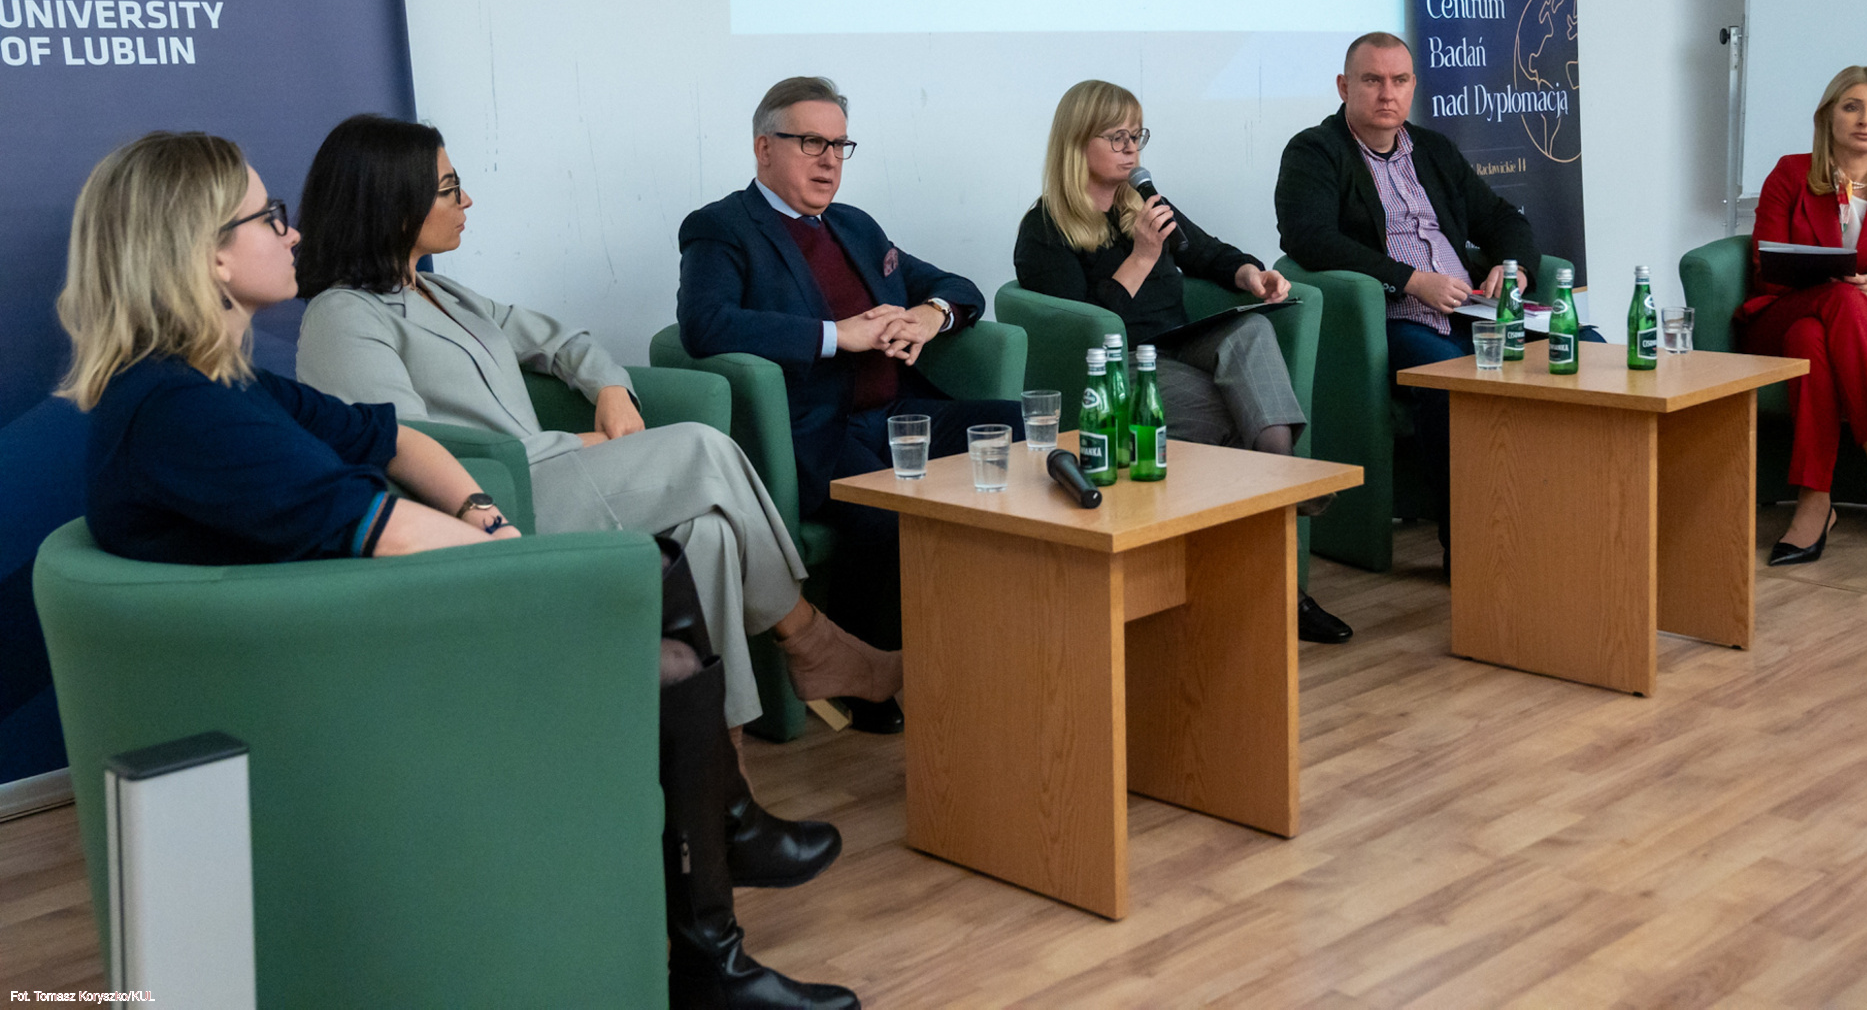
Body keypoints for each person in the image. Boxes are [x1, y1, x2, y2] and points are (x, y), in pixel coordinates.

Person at [59, 131, 858, 1010]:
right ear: (207, 253)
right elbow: (390, 532)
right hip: (338, 674)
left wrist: (485, 514)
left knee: (673, 565)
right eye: (269, 217)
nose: (292, 233)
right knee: (665, 614)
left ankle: (719, 913)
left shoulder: (210, 388)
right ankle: (717, 940)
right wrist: (535, 571)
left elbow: (394, 438)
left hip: (354, 625)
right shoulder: (192, 412)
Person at [292, 114, 901, 736]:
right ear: (393, 205)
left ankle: (717, 762)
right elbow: (408, 446)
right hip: (492, 506)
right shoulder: (342, 317)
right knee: (702, 446)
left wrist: (610, 390)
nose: (466, 199)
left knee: (709, 534)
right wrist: (569, 442)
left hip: (554, 475)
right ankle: (808, 637)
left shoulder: (447, 294)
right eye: (450, 189)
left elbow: (564, 341)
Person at [675, 77, 1022, 733]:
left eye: (839, 145)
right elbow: (705, 324)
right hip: (817, 432)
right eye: (811, 142)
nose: (829, 161)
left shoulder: (856, 226)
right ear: (764, 148)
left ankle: (1003, 634)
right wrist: (838, 336)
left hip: (900, 414)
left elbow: (955, 285)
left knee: (1022, 430)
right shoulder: (722, 228)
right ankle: (868, 678)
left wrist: (930, 314)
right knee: (889, 510)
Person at [1013, 79, 1353, 645]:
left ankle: (1280, 477)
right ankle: (1285, 577)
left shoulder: (1143, 203)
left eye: (1137, 135)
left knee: (1251, 329)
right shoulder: (1046, 229)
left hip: (1180, 341)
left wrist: (1252, 274)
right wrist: (1143, 255)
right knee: (1237, 416)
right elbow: (1087, 329)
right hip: (1125, 370)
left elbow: (1208, 251)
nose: (1131, 149)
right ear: (1077, 142)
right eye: (1116, 137)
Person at [1276, 32, 1587, 562]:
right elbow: (1309, 238)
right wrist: (1411, 280)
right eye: (1372, 80)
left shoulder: (1433, 149)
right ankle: (1471, 548)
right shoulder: (1315, 151)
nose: (1387, 93)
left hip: (1469, 311)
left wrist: (1512, 268)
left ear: (1413, 86)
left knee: (1583, 346)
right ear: (1344, 86)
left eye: (1399, 80)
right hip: (1393, 319)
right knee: (1453, 384)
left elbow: (1501, 218)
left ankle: (1571, 519)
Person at [1738, 65, 1867, 562]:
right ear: (1828, 117)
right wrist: (1859, 286)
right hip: (1781, 313)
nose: (1865, 119)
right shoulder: (1790, 174)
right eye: (1851, 107)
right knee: (1833, 305)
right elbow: (1765, 269)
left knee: (1811, 338)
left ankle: (1815, 500)